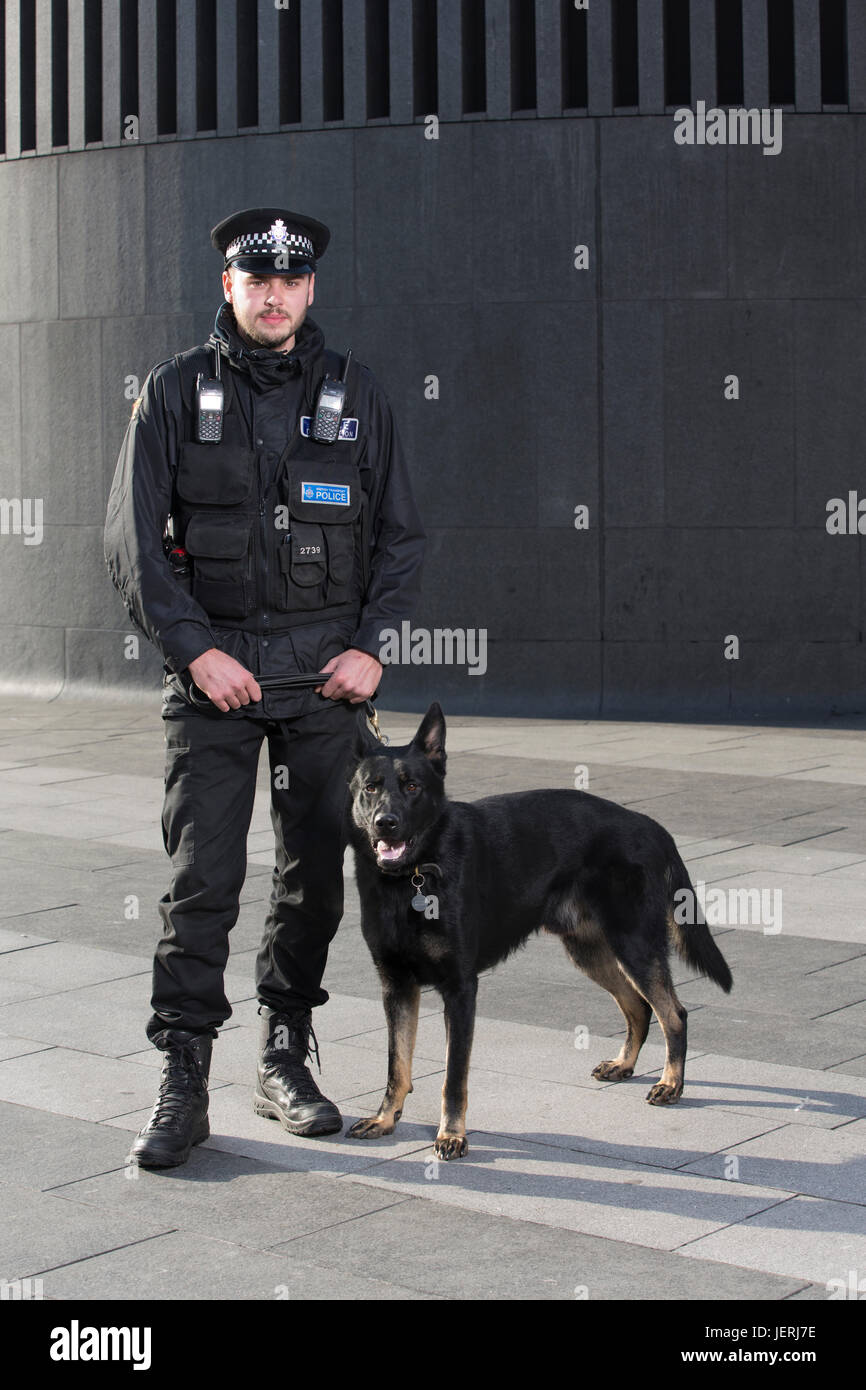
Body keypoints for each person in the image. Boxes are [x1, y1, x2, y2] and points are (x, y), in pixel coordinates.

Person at [103, 207, 425, 1168]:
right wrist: (196, 650)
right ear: (231, 288)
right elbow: (130, 540)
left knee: (316, 878)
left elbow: (401, 535)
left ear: (311, 289)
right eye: (258, 280)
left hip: (324, 683)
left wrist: (371, 647)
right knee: (203, 878)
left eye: (292, 280)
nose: (275, 295)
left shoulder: (356, 393)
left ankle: (284, 1051)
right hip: (217, 681)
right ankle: (185, 1076)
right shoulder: (172, 392)